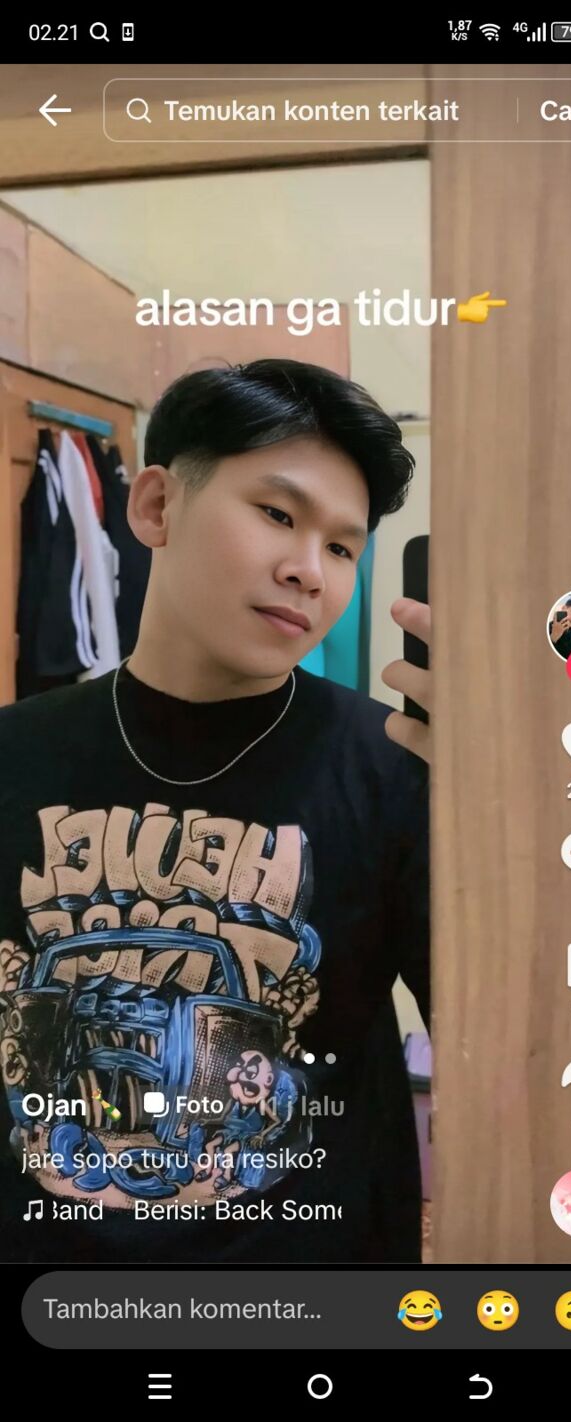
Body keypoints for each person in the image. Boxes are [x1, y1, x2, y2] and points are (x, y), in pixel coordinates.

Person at [0, 358, 430, 1265]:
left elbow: (519, 1038)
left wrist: (537, 805)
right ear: (157, 506)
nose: (308, 571)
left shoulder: (397, 767)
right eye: (277, 514)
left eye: (343, 548)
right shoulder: (14, 753)